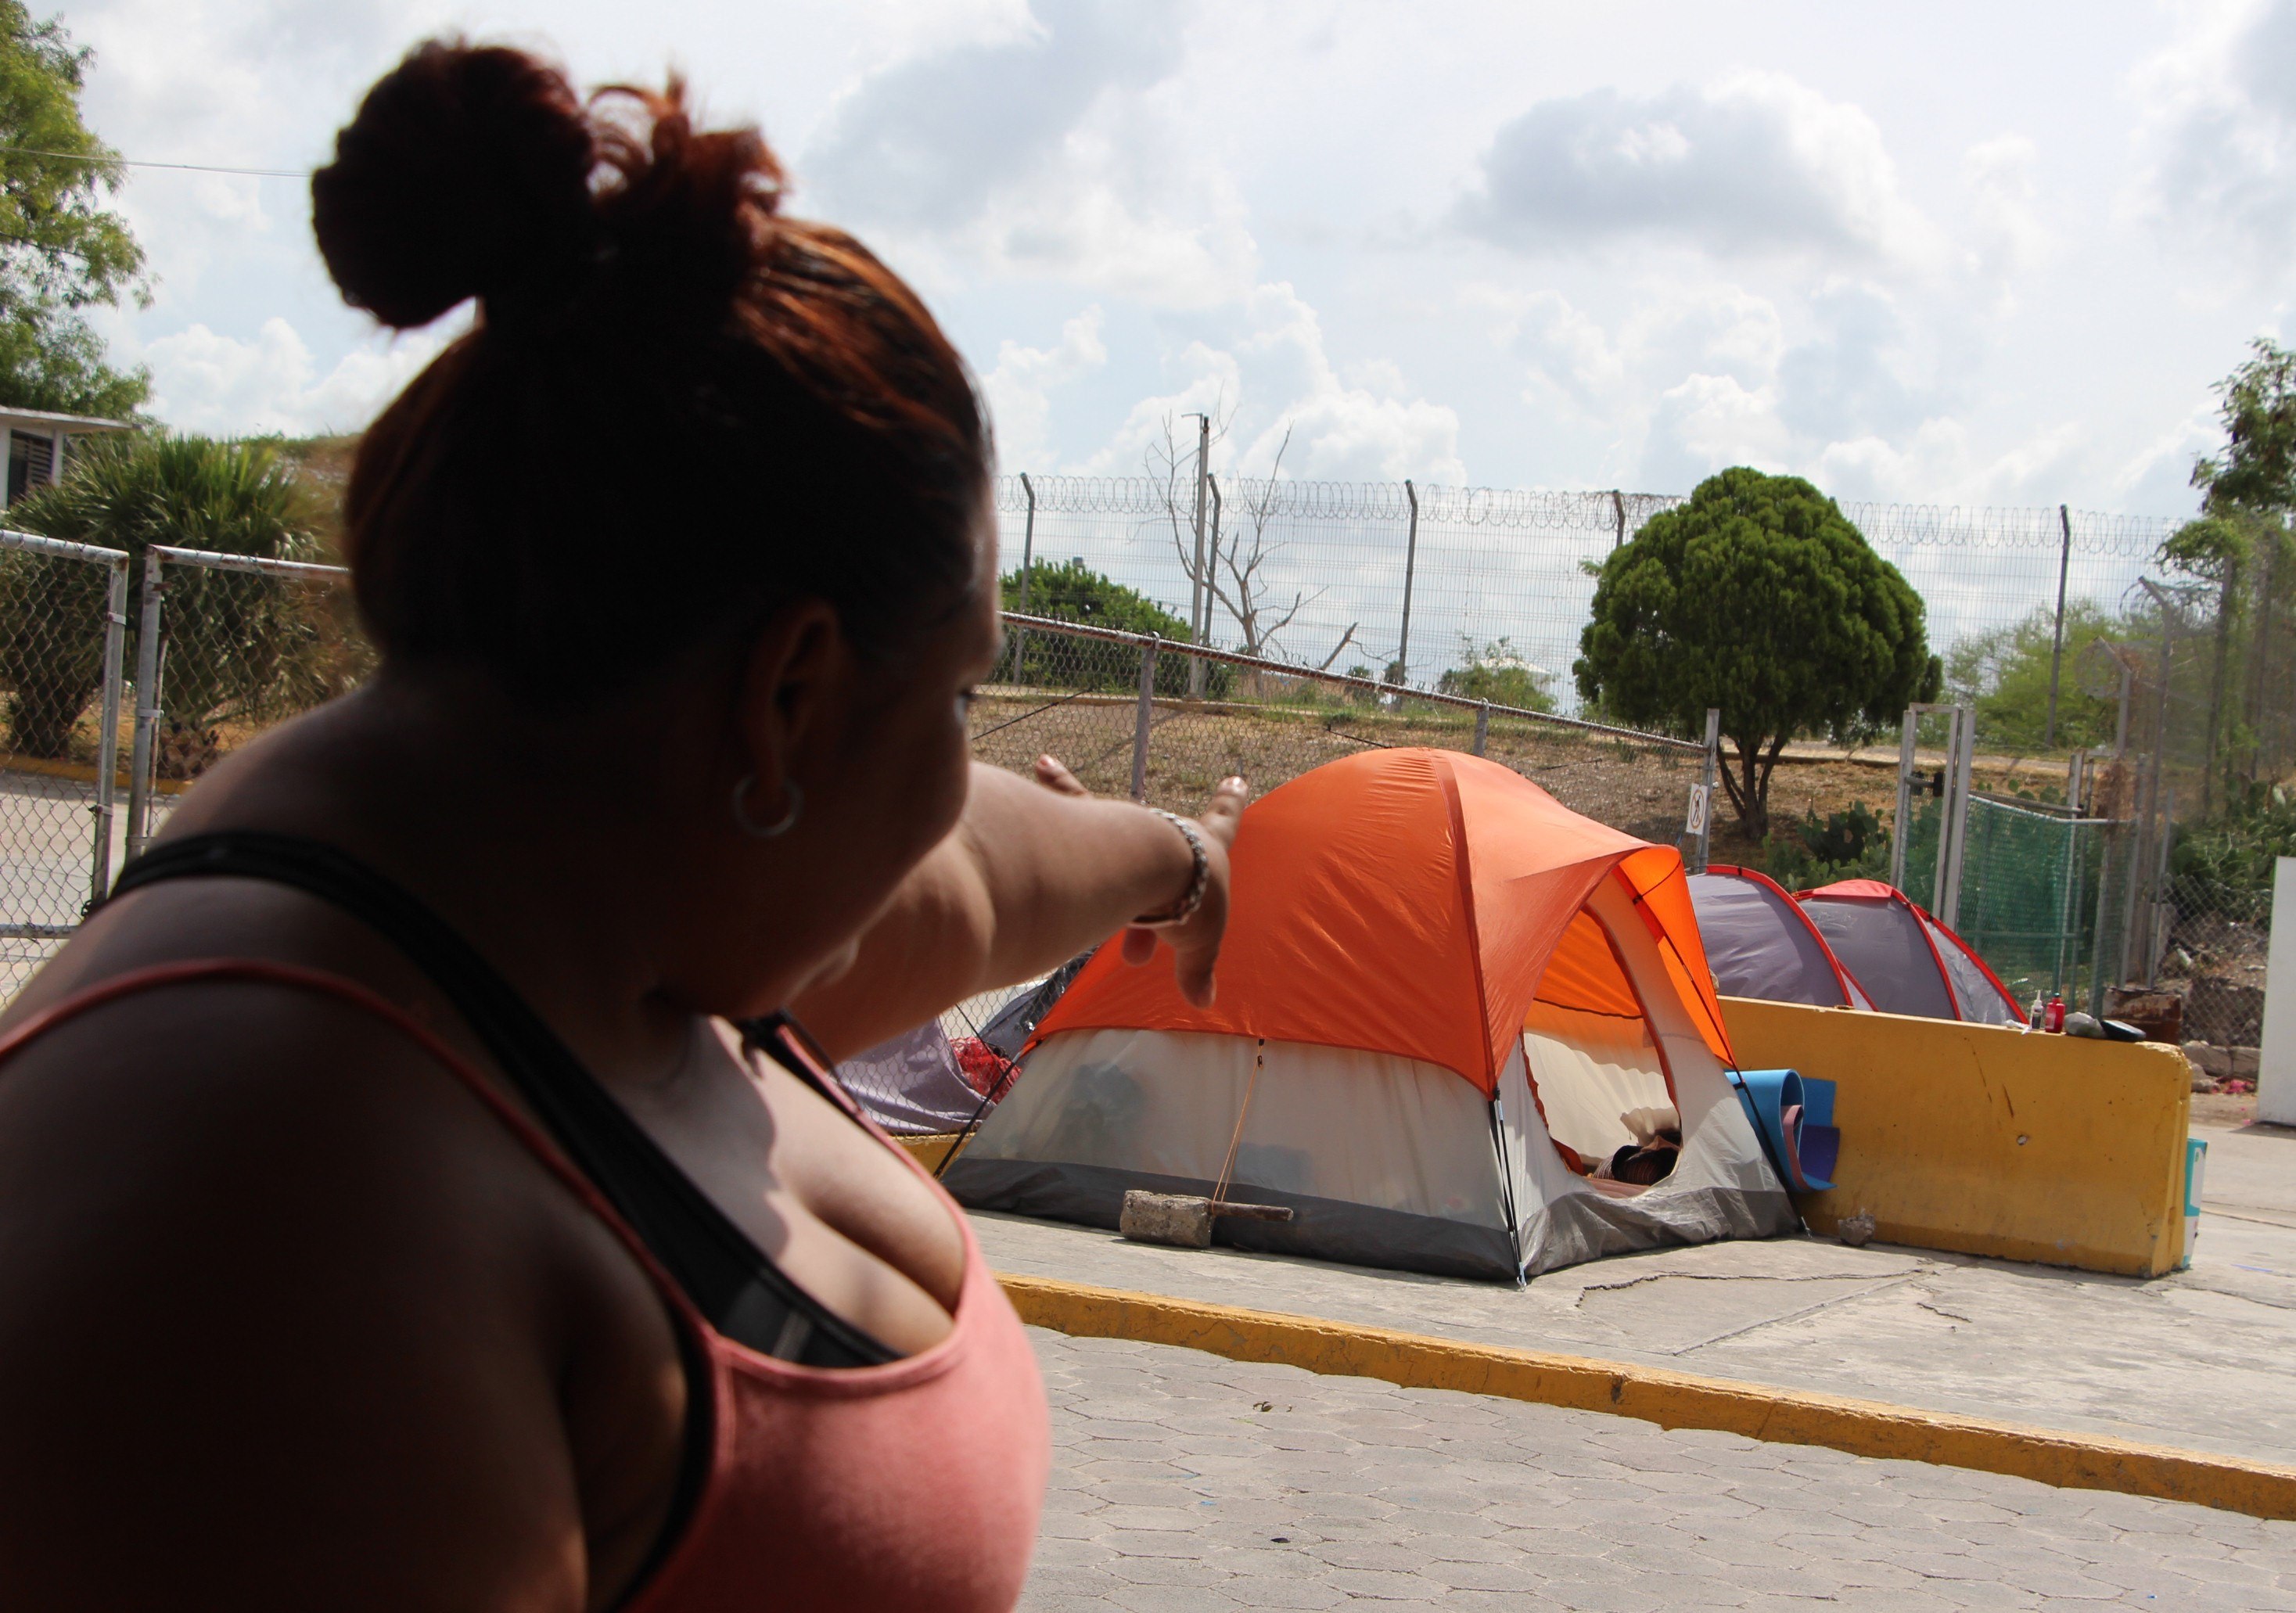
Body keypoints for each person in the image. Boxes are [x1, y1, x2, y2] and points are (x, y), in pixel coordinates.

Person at [0, 39, 1246, 1612]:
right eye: (957, 697)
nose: (961, 769)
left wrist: (1186, 863)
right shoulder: (286, 1227)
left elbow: (984, 868)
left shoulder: (561, 878)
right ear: (784, 696)